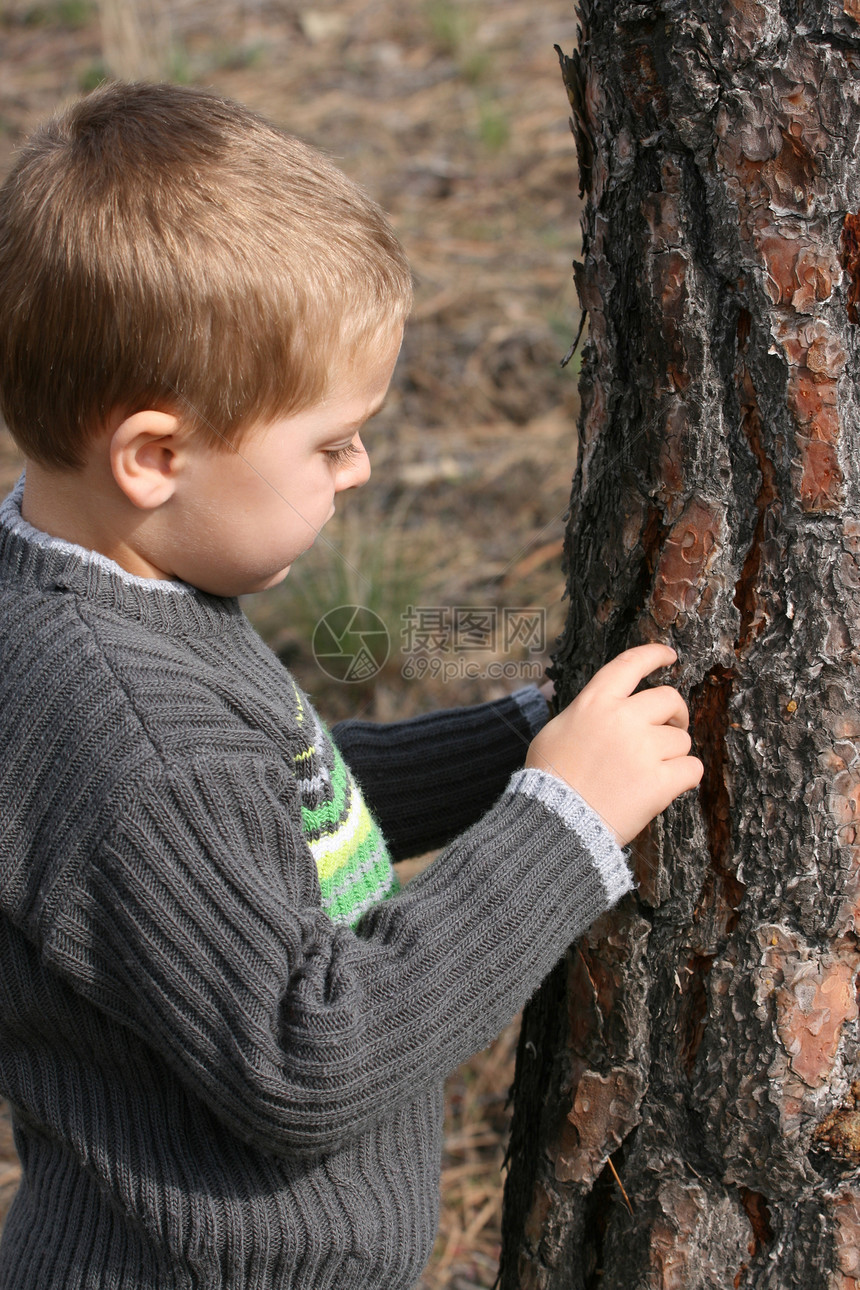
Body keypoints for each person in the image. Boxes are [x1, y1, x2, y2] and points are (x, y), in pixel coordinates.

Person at [0, 81, 703, 1290]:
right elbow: (307, 1053)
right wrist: (556, 828)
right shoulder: (131, 729)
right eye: (328, 443)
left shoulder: (93, 598)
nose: (362, 467)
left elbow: (260, 827)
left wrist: (520, 741)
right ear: (155, 456)